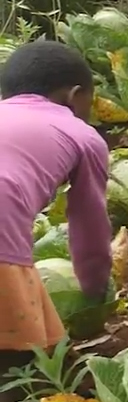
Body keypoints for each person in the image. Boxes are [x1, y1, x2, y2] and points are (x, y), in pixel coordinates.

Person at [0, 42, 111, 355]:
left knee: (47, 346)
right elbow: (90, 226)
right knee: (19, 366)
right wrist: (94, 290)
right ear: (75, 97)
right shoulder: (82, 135)